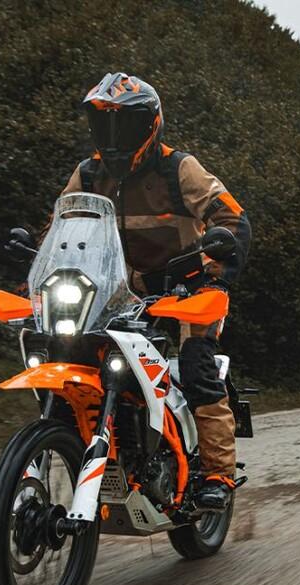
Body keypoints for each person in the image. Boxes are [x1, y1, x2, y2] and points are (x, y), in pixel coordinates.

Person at [51, 72, 251, 511]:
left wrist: (216, 274)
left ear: (150, 124)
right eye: (104, 125)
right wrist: (36, 267)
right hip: (119, 289)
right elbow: (61, 228)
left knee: (197, 366)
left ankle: (216, 474)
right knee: (71, 356)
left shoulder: (178, 168)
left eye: (123, 124)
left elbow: (232, 218)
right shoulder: (89, 173)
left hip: (189, 287)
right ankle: (77, 449)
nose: (113, 137)